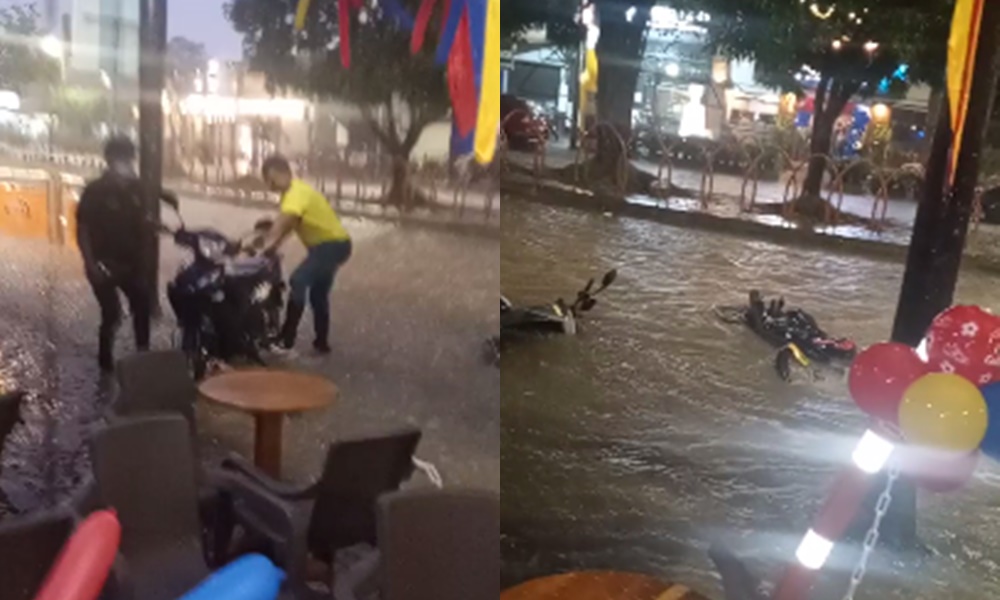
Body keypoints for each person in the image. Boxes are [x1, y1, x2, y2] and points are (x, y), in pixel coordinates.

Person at [259, 155, 352, 354]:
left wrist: (264, 246)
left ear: (275, 173)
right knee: (318, 294)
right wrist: (272, 248)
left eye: (268, 179)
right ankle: (321, 342)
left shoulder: (295, 194)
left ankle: (286, 339)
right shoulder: (294, 194)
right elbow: (289, 226)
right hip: (334, 246)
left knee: (298, 280)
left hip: (331, 246)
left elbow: (281, 223)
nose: (268, 185)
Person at [76, 136, 154, 372]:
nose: (126, 163)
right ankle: (105, 360)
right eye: (121, 158)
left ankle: (143, 355)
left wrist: (151, 228)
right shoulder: (95, 191)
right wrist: (90, 264)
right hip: (103, 264)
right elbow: (82, 229)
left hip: (132, 264)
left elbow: (142, 222)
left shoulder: (137, 189)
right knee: (112, 314)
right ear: (109, 160)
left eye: (129, 158)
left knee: (142, 307)